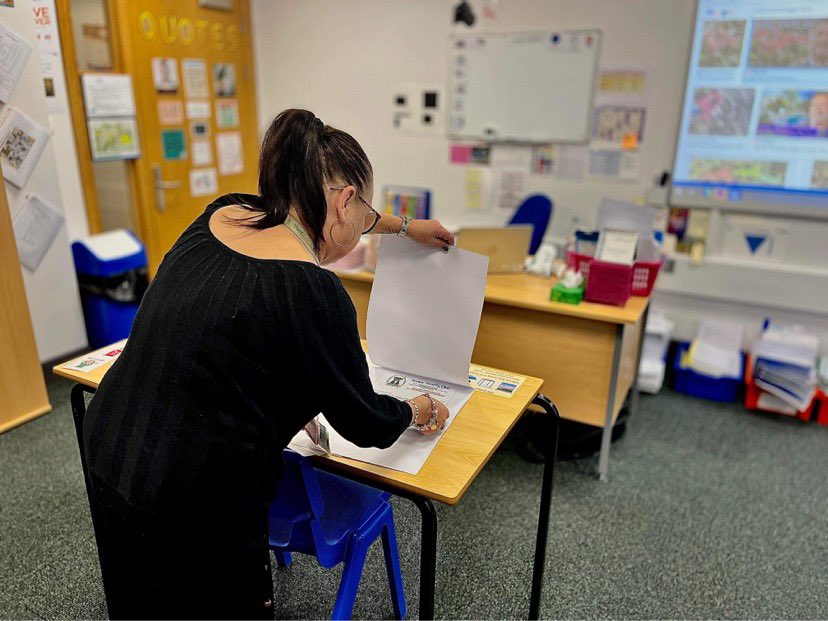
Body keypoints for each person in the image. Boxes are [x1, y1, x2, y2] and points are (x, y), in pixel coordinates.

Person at [82, 109, 455, 619]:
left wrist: (405, 226)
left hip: (110, 442)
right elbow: (366, 422)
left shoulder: (223, 212)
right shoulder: (313, 292)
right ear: (345, 202)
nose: (366, 225)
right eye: (364, 213)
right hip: (192, 494)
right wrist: (415, 408)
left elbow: (226, 338)